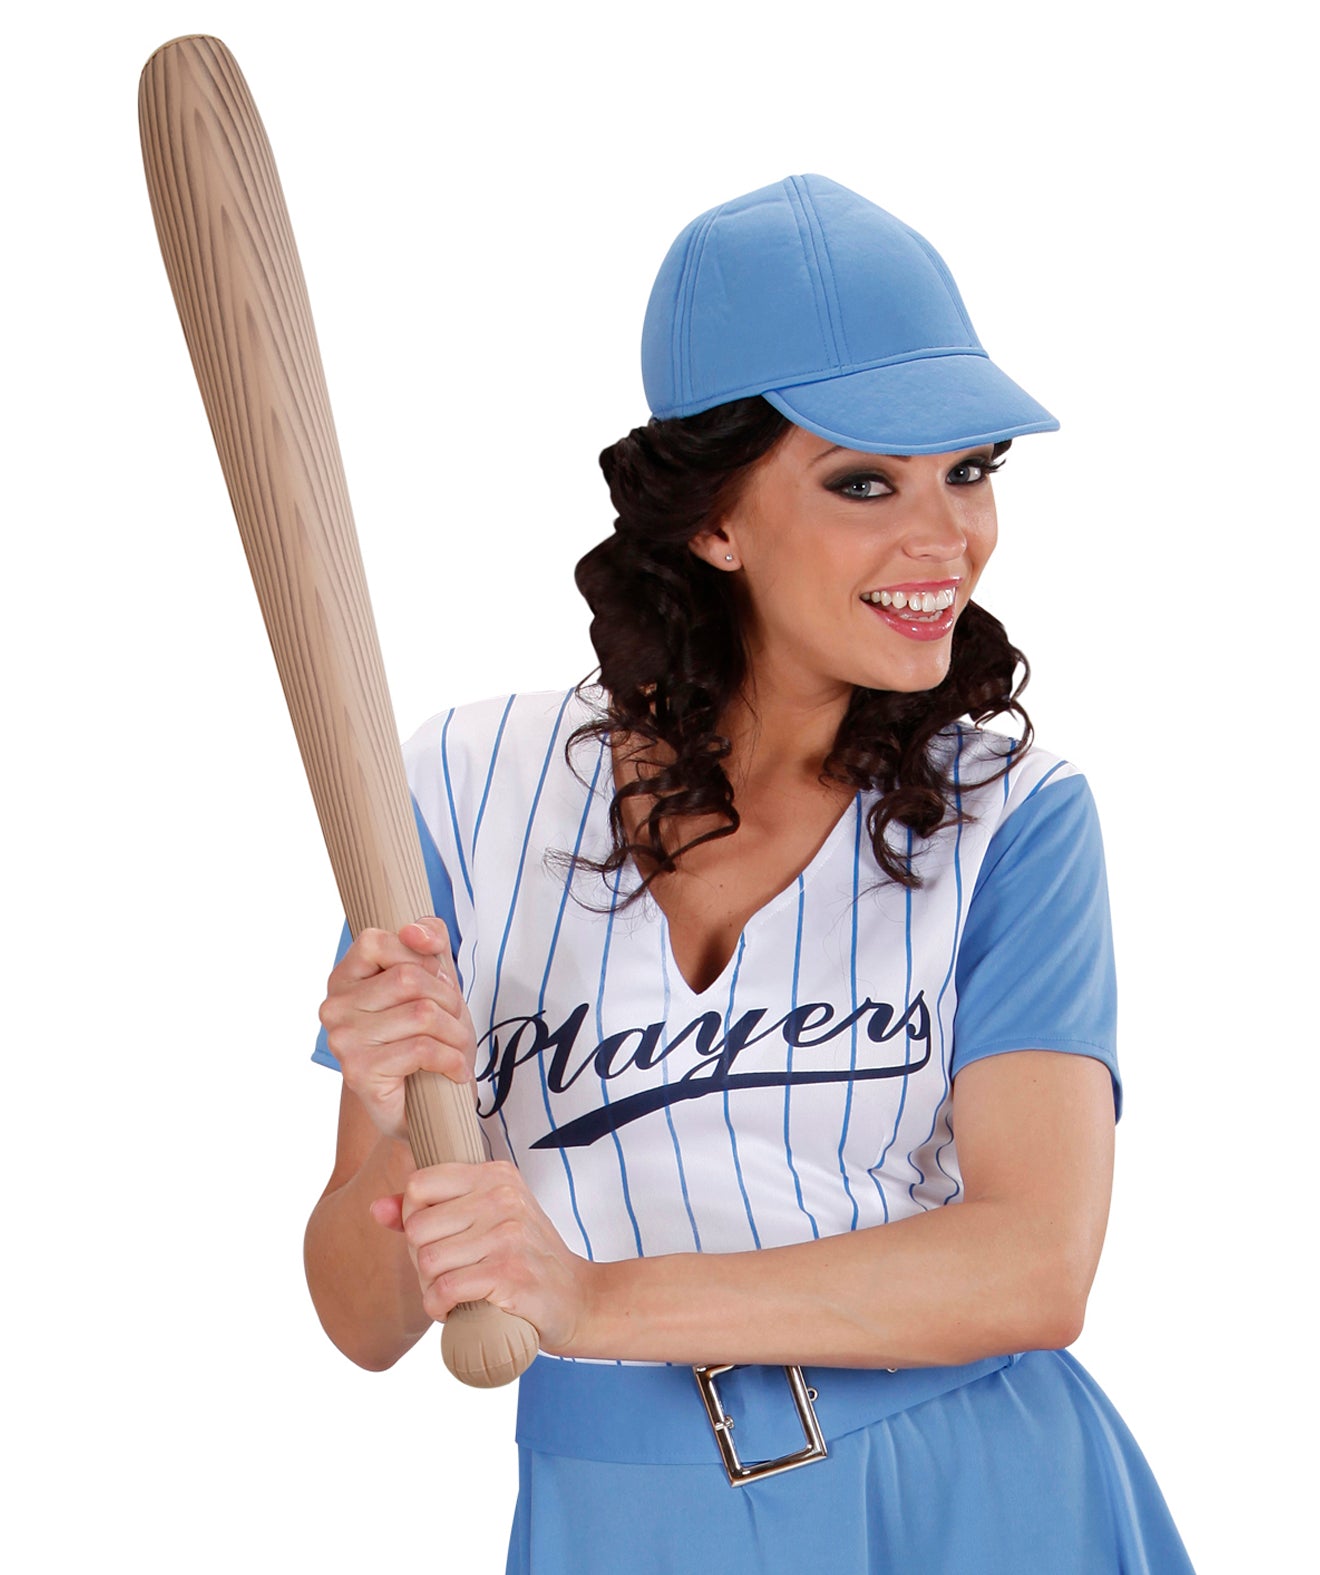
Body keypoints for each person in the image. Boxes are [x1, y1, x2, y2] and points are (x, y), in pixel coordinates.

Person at [304, 174, 1196, 1573]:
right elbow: (363, 1319)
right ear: (715, 518)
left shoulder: (1009, 815)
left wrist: (588, 1297)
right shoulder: (464, 790)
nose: (943, 536)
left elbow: (1033, 1268)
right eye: (863, 481)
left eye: (967, 470)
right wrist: (393, 1106)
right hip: (623, 1515)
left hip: (972, 1492)